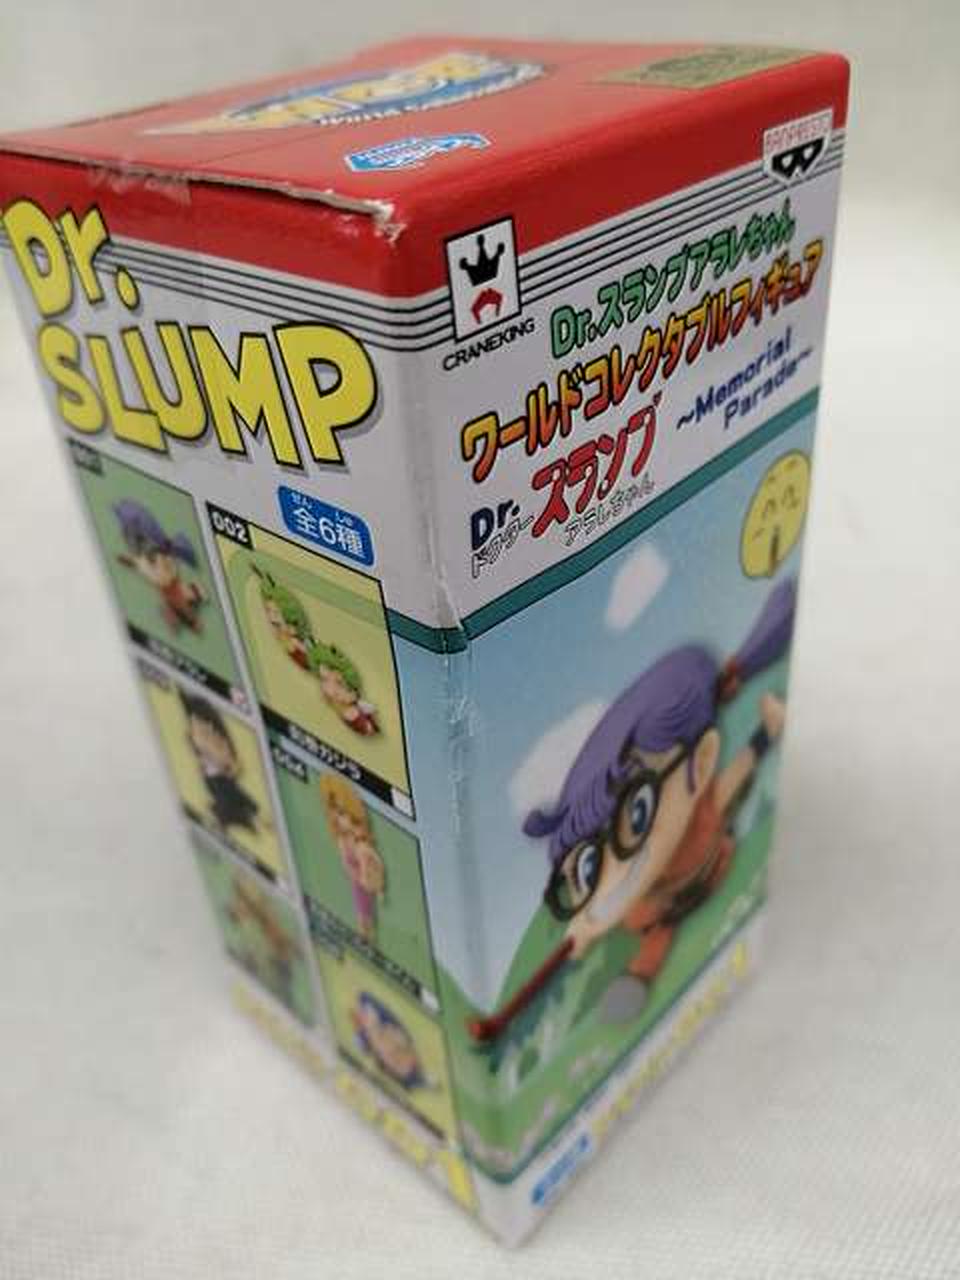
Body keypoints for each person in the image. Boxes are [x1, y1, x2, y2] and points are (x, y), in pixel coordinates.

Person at [523, 578, 795, 1023]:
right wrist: (585, 928)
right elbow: (610, 897)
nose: (612, 872)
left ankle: (767, 731)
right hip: (663, 903)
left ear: (701, 761)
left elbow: (729, 783)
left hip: (703, 869)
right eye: (588, 867)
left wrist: (764, 739)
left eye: (637, 813)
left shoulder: (699, 816)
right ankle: (641, 977)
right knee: (657, 928)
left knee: (723, 802)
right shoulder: (628, 893)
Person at [113, 499, 206, 632]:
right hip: (159, 558)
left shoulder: (172, 599)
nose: (190, 614)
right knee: (138, 526)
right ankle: (123, 511)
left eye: (191, 619)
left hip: (153, 562)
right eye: (193, 617)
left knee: (132, 531)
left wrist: (133, 562)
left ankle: (123, 512)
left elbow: (144, 567)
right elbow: (194, 590)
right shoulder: (190, 595)